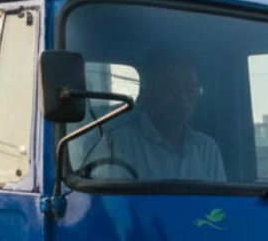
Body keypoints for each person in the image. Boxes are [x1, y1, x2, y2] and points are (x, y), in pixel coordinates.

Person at [73, 48, 226, 183]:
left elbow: (218, 210)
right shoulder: (116, 144)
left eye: (189, 87)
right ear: (148, 91)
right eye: (170, 87)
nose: (183, 97)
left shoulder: (207, 148)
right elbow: (118, 208)